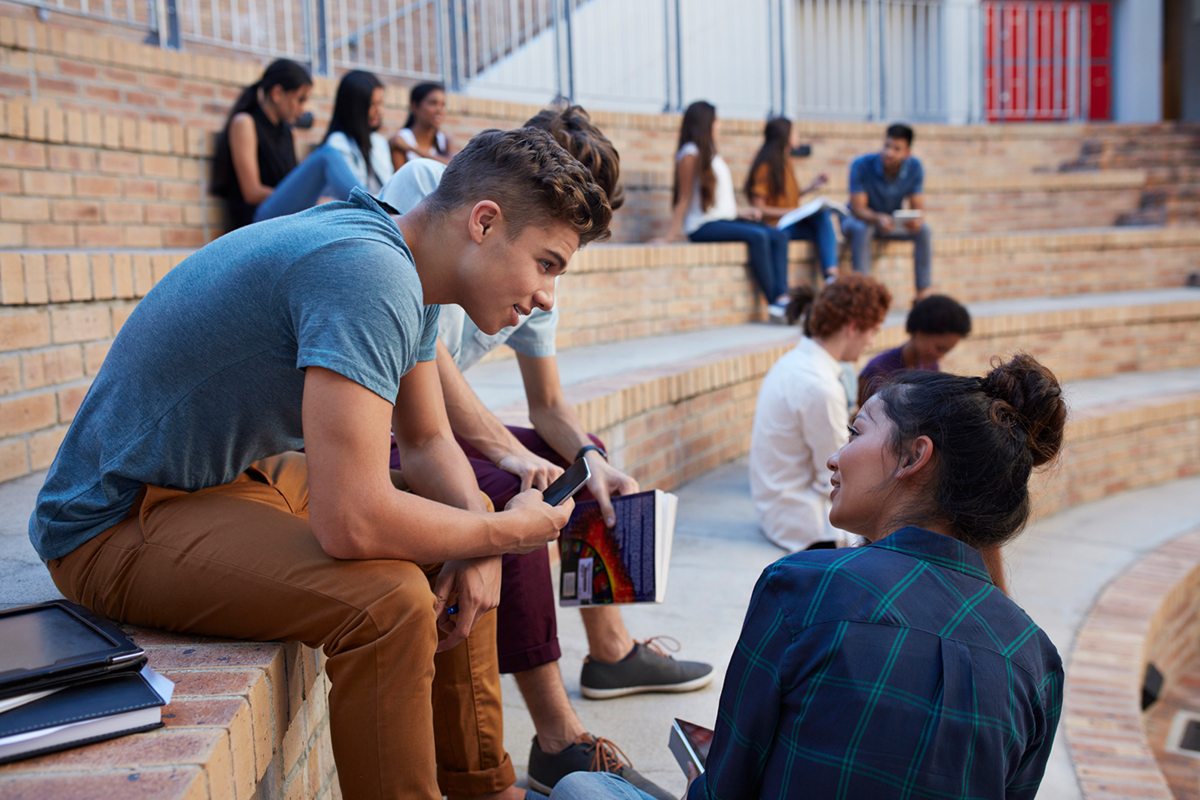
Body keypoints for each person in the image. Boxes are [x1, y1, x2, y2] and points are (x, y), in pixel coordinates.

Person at [30, 127, 612, 800]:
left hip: (225, 483)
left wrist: (480, 532)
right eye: (546, 263)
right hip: (113, 520)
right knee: (389, 602)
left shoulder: (406, 263)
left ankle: (481, 786)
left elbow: (425, 444)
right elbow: (351, 522)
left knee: (467, 517)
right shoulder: (368, 272)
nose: (546, 297)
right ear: (485, 222)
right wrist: (506, 536)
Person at [549, 353, 1067, 800]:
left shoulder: (803, 586)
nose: (835, 458)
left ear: (915, 457)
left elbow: (727, 786)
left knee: (581, 786)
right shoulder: (1036, 659)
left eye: (856, 432)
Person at [379, 105, 707, 800]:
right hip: (383, 419)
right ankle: (558, 738)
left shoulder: (538, 270)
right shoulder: (435, 192)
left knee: (581, 466)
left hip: (432, 422)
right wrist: (509, 454)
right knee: (514, 489)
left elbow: (550, 406)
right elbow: (422, 353)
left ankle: (610, 649)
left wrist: (594, 462)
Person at [749, 275, 892, 553]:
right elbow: (837, 477)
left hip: (778, 509)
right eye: (873, 331)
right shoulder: (819, 386)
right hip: (805, 524)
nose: (871, 342)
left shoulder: (796, 362)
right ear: (853, 327)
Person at [657, 101, 794, 322]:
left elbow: (716, 201)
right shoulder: (689, 154)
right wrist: (669, 237)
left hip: (720, 219)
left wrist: (740, 213)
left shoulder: (709, 153)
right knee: (758, 236)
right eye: (716, 121)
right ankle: (775, 303)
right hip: (701, 226)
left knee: (778, 235)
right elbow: (684, 198)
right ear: (706, 123)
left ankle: (784, 296)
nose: (719, 125)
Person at [210, 59, 364, 229]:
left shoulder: (287, 132)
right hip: (255, 222)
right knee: (328, 155)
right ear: (277, 94)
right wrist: (307, 199)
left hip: (282, 218)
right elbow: (251, 193)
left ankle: (370, 213)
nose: (303, 109)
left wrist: (307, 198)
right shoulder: (244, 123)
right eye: (300, 100)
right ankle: (374, 209)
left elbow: (289, 184)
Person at [842, 123, 933, 299]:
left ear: (907, 152)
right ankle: (864, 293)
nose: (889, 153)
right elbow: (858, 209)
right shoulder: (861, 165)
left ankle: (922, 295)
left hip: (889, 223)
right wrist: (878, 218)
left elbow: (917, 206)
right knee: (863, 228)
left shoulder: (915, 167)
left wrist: (914, 220)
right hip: (858, 220)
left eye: (896, 149)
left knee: (924, 230)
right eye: (887, 146)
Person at [745, 117, 840, 285]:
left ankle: (831, 276)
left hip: (791, 221)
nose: (797, 135)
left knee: (823, 218)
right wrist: (793, 212)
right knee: (823, 225)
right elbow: (759, 207)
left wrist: (812, 187)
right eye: (794, 132)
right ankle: (830, 275)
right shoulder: (766, 168)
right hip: (777, 225)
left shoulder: (785, 162)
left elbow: (787, 197)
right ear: (785, 136)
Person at [858, 293, 972, 407]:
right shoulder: (878, 370)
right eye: (939, 348)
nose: (941, 356)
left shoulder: (931, 368)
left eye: (946, 351)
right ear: (920, 332)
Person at [323, 70, 395, 195]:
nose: (379, 110)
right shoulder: (337, 143)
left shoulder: (379, 141)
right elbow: (353, 195)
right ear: (354, 106)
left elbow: (389, 186)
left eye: (381, 103)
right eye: (373, 104)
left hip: (382, 209)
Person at [392, 82, 457, 169]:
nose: (440, 110)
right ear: (414, 107)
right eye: (433, 103)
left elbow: (454, 167)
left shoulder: (445, 141)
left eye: (443, 105)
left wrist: (411, 148)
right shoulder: (401, 139)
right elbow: (400, 181)